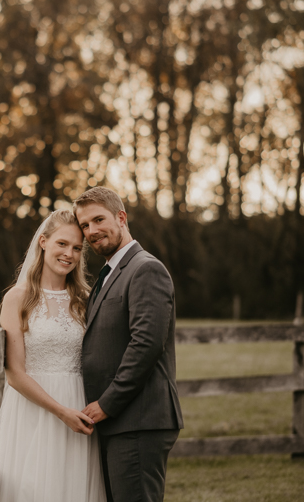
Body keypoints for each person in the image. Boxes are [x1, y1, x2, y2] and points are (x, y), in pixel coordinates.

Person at [74, 187, 184, 502]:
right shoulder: (109, 274)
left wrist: (106, 404)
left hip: (138, 420)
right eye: (85, 225)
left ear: (121, 218)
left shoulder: (145, 269)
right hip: (121, 423)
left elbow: (146, 345)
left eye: (98, 220)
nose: (91, 231)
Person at [0, 209, 107, 502]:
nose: (69, 254)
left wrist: (79, 411)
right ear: (43, 242)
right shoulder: (17, 298)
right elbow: (15, 373)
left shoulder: (85, 299)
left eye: (77, 248)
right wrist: (60, 411)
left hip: (80, 408)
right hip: (36, 409)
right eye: (62, 244)